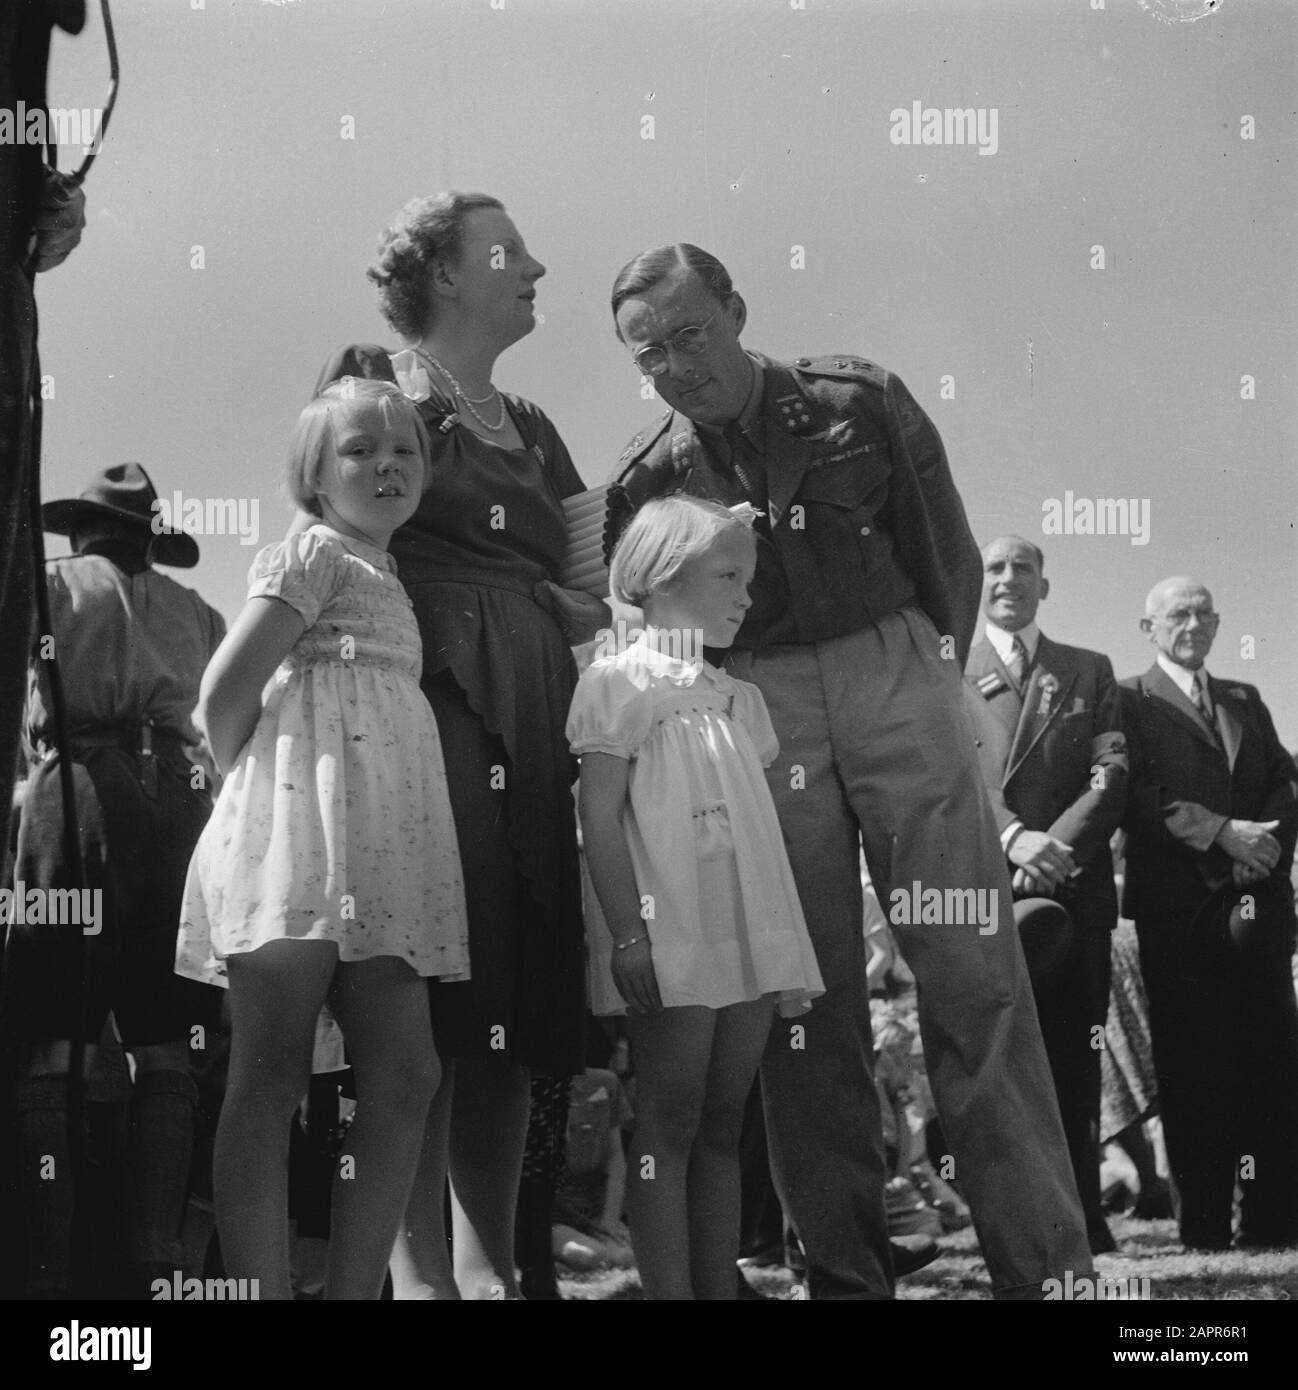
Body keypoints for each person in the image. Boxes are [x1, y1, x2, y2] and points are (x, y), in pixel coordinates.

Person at [604, 243, 1092, 1299]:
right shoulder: (650, 475)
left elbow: (947, 557)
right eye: (650, 355)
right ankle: (841, 1269)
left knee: (972, 969)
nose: (676, 366)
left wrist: (919, 674)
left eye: (691, 335)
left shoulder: (857, 399)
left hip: (895, 667)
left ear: (735, 310)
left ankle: (1045, 1266)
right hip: (761, 704)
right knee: (801, 992)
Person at [316, 191, 606, 1299]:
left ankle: (494, 1275)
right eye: (509, 250)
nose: (536, 266)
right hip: (424, 699)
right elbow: (327, 535)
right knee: (431, 989)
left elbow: (594, 585)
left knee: (512, 1005)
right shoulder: (375, 386)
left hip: (537, 710)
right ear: (443, 272)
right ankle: (420, 1277)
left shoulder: (533, 425)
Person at [174, 380, 470, 1299]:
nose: (386, 465)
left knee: (408, 1071)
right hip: (297, 840)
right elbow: (222, 696)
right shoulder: (315, 554)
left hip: (385, 848)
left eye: (404, 452)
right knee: (271, 1072)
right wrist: (263, 807)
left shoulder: (394, 579)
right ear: (313, 474)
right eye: (358, 451)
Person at [571, 496, 823, 1299]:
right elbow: (598, 818)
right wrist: (626, 936)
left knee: (723, 1119)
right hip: (668, 929)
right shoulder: (618, 681)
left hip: (742, 930)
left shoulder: (737, 700)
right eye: (727, 574)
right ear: (657, 577)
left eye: (748, 577)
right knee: (670, 1121)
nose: (746, 595)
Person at [1, 462, 223, 1298]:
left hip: (78, 795)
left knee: (57, 1039)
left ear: (80, 532)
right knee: (166, 1045)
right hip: (178, 805)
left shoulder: (50, 585)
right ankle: (151, 1262)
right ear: (147, 537)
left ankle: (52, 1269)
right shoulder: (199, 612)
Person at [1118, 575, 1298, 1250]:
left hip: (1261, 906)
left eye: (1202, 613)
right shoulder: (1129, 700)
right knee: (1195, 1070)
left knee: (1271, 1060)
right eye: (1175, 614)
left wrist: (1265, 845)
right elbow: (1137, 792)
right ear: (1150, 628)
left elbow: (1285, 779)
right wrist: (1224, 836)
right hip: (1180, 914)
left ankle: (1276, 1220)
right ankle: (1204, 1228)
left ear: (1218, 624)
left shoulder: (1245, 699)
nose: (1190, 623)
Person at [964, 535, 1128, 1254]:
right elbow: (947, 773)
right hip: (983, 896)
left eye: (1022, 568)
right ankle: (1011, 1227)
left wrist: (1053, 851)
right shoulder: (947, 671)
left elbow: (1111, 773)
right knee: (994, 1068)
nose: (1008, 579)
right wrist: (1012, 840)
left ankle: (1083, 1219)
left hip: (1076, 895)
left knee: (1073, 1061)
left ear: (1044, 585)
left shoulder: (1089, 670)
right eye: (995, 568)